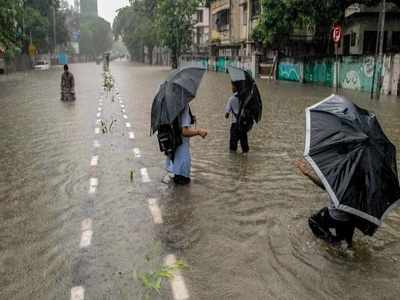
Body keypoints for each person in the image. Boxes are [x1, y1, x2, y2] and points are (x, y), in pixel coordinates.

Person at [295, 159, 356, 248]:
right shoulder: (361, 183)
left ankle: (332, 242)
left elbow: (324, 185)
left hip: (336, 217)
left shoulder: (342, 181)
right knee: (347, 243)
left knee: (313, 221)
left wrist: (307, 173)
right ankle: (347, 248)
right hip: (352, 220)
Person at [166, 104, 207, 185]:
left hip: (174, 159)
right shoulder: (184, 106)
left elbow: (176, 124)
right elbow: (184, 132)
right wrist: (199, 132)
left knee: (177, 193)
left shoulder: (170, 105)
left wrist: (190, 118)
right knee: (184, 190)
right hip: (183, 161)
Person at [225, 81, 249, 153]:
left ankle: (234, 163)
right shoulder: (246, 98)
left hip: (235, 125)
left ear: (236, 87)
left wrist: (231, 111)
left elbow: (226, 115)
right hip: (243, 125)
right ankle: (244, 162)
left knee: (233, 148)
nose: (231, 88)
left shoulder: (231, 99)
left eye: (232, 86)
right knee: (245, 148)